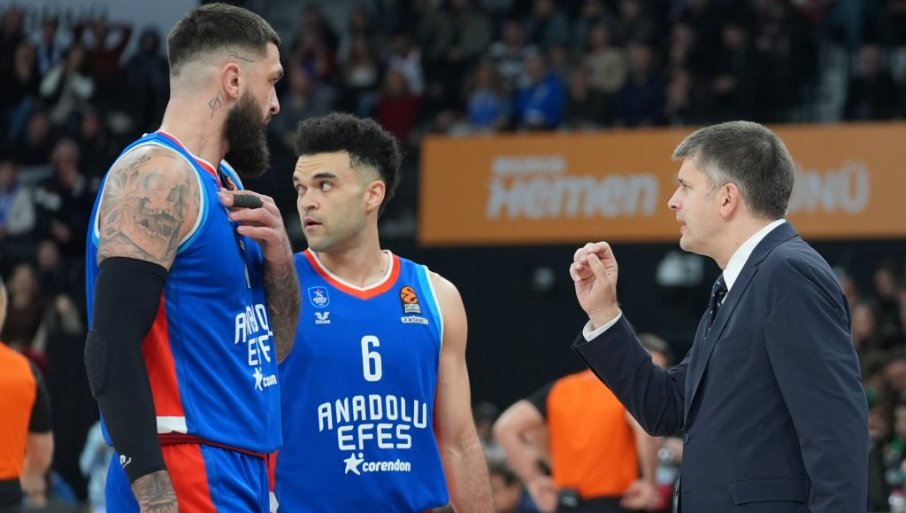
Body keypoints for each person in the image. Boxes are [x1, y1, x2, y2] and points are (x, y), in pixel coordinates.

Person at [569, 120, 868, 513]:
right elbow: (667, 407)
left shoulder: (787, 272)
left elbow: (835, 431)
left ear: (727, 198)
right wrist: (604, 313)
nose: (672, 201)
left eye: (685, 186)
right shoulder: (739, 284)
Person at [83, 4, 299, 513]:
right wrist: (153, 489)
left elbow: (274, 349)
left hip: (246, 461)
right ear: (232, 79)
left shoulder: (227, 182)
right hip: (185, 465)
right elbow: (109, 344)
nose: (275, 104)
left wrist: (280, 264)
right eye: (271, 82)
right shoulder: (156, 176)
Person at [273, 113, 494, 513]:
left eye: (325, 185)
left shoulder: (437, 296)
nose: (307, 200)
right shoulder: (278, 287)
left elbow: (459, 443)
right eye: (300, 188)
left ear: (372, 195)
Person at [493, 336, 670, 513]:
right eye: (651, 369)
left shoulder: (560, 389)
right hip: (615, 502)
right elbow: (647, 433)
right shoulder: (627, 391)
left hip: (566, 503)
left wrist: (534, 479)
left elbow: (506, 428)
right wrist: (650, 482)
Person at [0, 278, 54, 511]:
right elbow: (42, 450)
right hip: (7, 493)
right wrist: (26, 479)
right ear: (3, 310)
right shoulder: (24, 371)